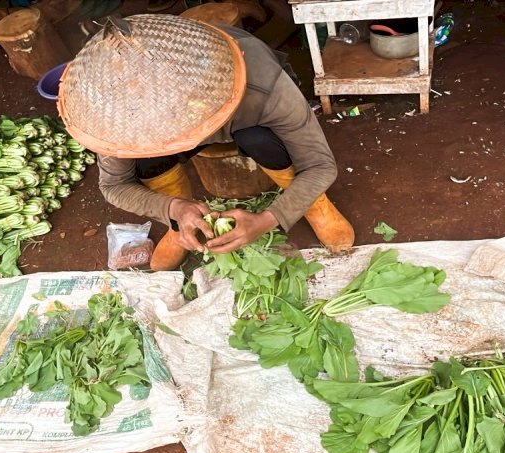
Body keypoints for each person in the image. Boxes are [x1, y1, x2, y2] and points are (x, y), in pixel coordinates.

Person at [58, 14, 354, 270]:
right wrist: (174, 210)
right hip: (165, 135)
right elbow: (114, 185)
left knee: (261, 138)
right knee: (146, 159)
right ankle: (179, 231)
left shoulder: (262, 83)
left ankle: (314, 205)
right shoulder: (110, 115)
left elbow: (320, 166)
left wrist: (268, 218)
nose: (170, 134)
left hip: (248, 120)